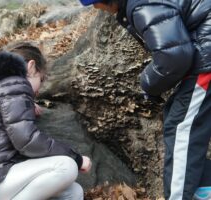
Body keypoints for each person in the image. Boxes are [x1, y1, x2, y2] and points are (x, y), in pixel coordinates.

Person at [79, 0, 211, 200]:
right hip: (203, 49)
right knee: (180, 120)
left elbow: (173, 56)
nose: (97, 9)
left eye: (95, 3)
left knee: (181, 129)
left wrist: (148, 84)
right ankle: (204, 189)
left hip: (206, 58)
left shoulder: (141, 5)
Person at [0, 42, 92, 200]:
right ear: (31, 67)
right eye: (41, 79)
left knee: (73, 192)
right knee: (66, 167)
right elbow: (27, 140)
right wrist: (77, 158)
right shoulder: (14, 83)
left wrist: (26, 102)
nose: (38, 91)